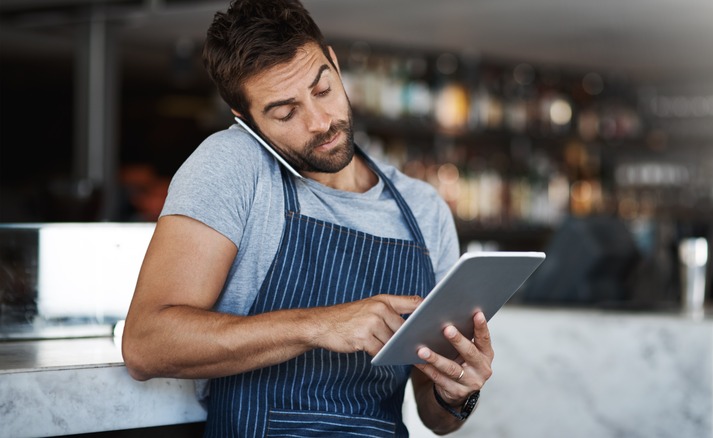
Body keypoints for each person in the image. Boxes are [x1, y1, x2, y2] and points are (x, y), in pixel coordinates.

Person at [121, 0, 494, 436]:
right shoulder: (234, 166)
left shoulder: (422, 208)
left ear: (333, 63)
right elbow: (146, 345)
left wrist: (456, 394)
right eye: (285, 112)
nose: (320, 122)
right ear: (245, 118)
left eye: (323, 90)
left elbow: (435, 419)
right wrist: (319, 325)